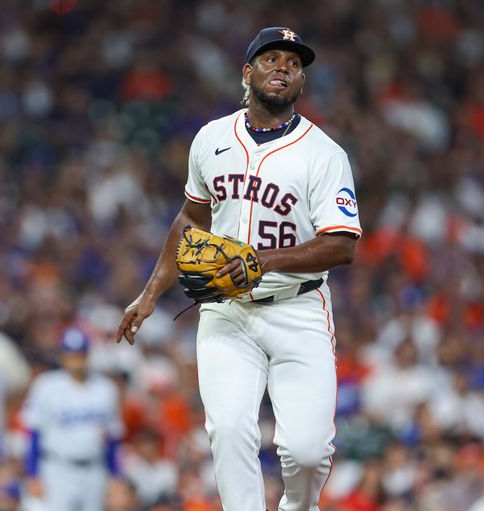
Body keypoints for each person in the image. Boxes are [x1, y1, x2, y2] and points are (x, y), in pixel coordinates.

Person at [116, 26, 361, 511]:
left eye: (294, 64)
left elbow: (342, 245)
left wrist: (261, 262)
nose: (283, 68)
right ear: (247, 73)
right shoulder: (211, 139)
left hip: (298, 309)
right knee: (228, 431)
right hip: (226, 310)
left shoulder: (324, 154)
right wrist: (149, 295)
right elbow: (191, 218)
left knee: (307, 454)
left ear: (300, 83)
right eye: (272, 59)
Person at [20, 325, 127, 511]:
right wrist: (32, 474)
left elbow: (113, 438)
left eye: (80, 354)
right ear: (63, 355)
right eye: (71, 354)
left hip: (95, 469)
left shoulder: (105, 389)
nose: (76, 360)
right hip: (57, 469)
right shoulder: (46, 386)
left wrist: (115, 476)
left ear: (87, 354)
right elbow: (33, 433)